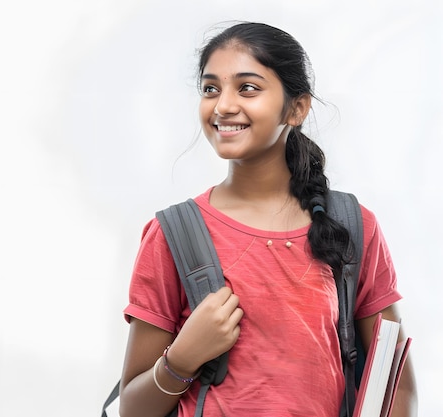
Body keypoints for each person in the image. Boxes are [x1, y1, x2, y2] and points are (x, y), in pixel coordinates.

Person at [118, 21, 417, 417]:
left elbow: (395, 383)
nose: (223, 105)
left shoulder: (352, 223)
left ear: (296, 108)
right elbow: (133, 409)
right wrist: (182, 358)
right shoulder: (174, 234)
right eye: (210, 89)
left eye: (247, 88)